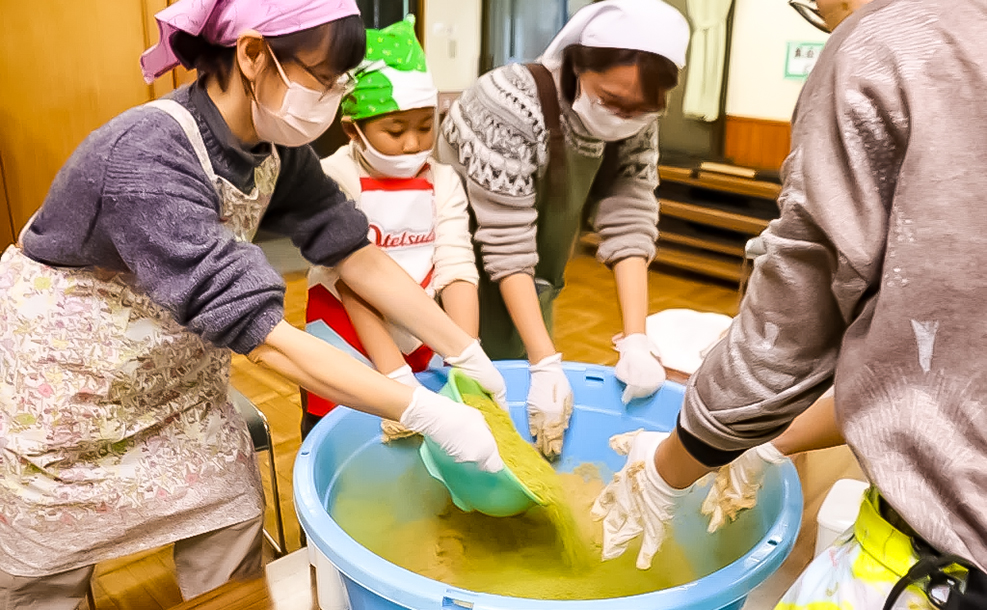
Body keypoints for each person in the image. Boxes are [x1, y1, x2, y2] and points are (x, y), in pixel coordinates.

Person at [0, 1, 508, 608]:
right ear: (251, 54)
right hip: (67, 394)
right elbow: (261, 334)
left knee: (230, 514)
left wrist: (465, 349)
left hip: (174, 379)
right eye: (324, 79)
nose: (330, 100)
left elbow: (355, 253)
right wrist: (428, 412)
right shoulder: (145, 155)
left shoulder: (272, 147)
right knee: (47, 570)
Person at [592, 0, 987, 607]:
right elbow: (929, 365)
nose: (821, 16)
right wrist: (769, 441)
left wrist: (670, 467)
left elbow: (792, 327)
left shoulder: (888, 42)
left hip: (945, 564)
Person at [438, 0, 691, 458]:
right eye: (611, 101)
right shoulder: (506, 102)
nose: (623, 117)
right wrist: (546, 361)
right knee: (457, 402)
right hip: (455, 279)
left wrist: (636, 337)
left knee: (511, 412)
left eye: (642, 110)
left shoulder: (635, 116)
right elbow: (506, 241)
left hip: (529, 282)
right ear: (577, 63)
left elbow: (630, 213)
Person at [302, 16, 483, 438]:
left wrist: (465, 356)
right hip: (344, 337)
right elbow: (349, 281)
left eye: (425, 127)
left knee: (422, 446)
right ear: (353, 130)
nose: (413, 144)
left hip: (419, 334)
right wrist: (394, 377)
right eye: (395, 130)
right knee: (345, 444)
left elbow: (455, 267)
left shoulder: (443, 180)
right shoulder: (332, 177)